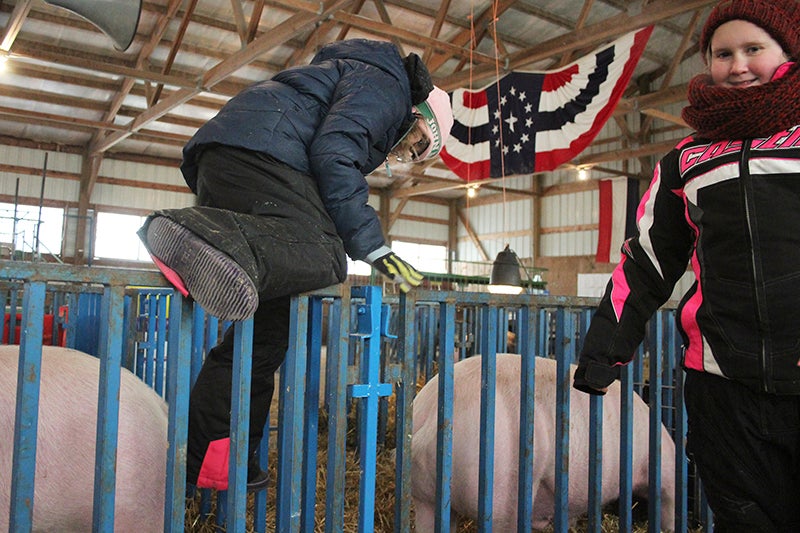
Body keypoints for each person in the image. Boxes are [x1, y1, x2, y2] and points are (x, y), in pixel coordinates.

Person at [137, 38, 453, 491]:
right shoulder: (388, 85)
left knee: (268, 332)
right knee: (326, 255)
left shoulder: (362, 78)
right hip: (261, 155)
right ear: (419, 113)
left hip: (238, 156)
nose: (403, 152)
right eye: (416, 142)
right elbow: (335, 152)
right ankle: (193, 233)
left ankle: (212, 459)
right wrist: (373, 246)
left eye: (414, 154)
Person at [573, 0, 800, 531]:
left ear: (787, 53)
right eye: (723, 53)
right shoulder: (687, 160)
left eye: (753, 49)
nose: (738, 64)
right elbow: (647, 262)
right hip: (723, 385)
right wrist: (605, 351)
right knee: (745, 516)